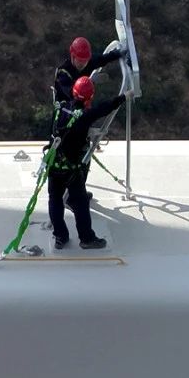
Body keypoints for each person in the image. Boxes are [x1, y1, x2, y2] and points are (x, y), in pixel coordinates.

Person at [47, 75, 127, 250]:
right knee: (80, 202)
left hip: (53, 164)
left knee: (55, 199)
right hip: (71, 169)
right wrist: (123, 97)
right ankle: (86, 238)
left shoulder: (60, 108)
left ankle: (60, 236)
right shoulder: (85, 115)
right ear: (89, 98)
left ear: (73, 93)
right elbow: (104, 108)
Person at [53, 34, 124, 109]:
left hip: (81, 106)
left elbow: (102, 59)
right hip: (65, 109)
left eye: (85, 61)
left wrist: (118, 53)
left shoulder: (88, 62)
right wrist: (90, 81)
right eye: (80, 60)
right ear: (72, 57)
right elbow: (72, 94)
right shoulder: (63, 74)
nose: (83, 64)